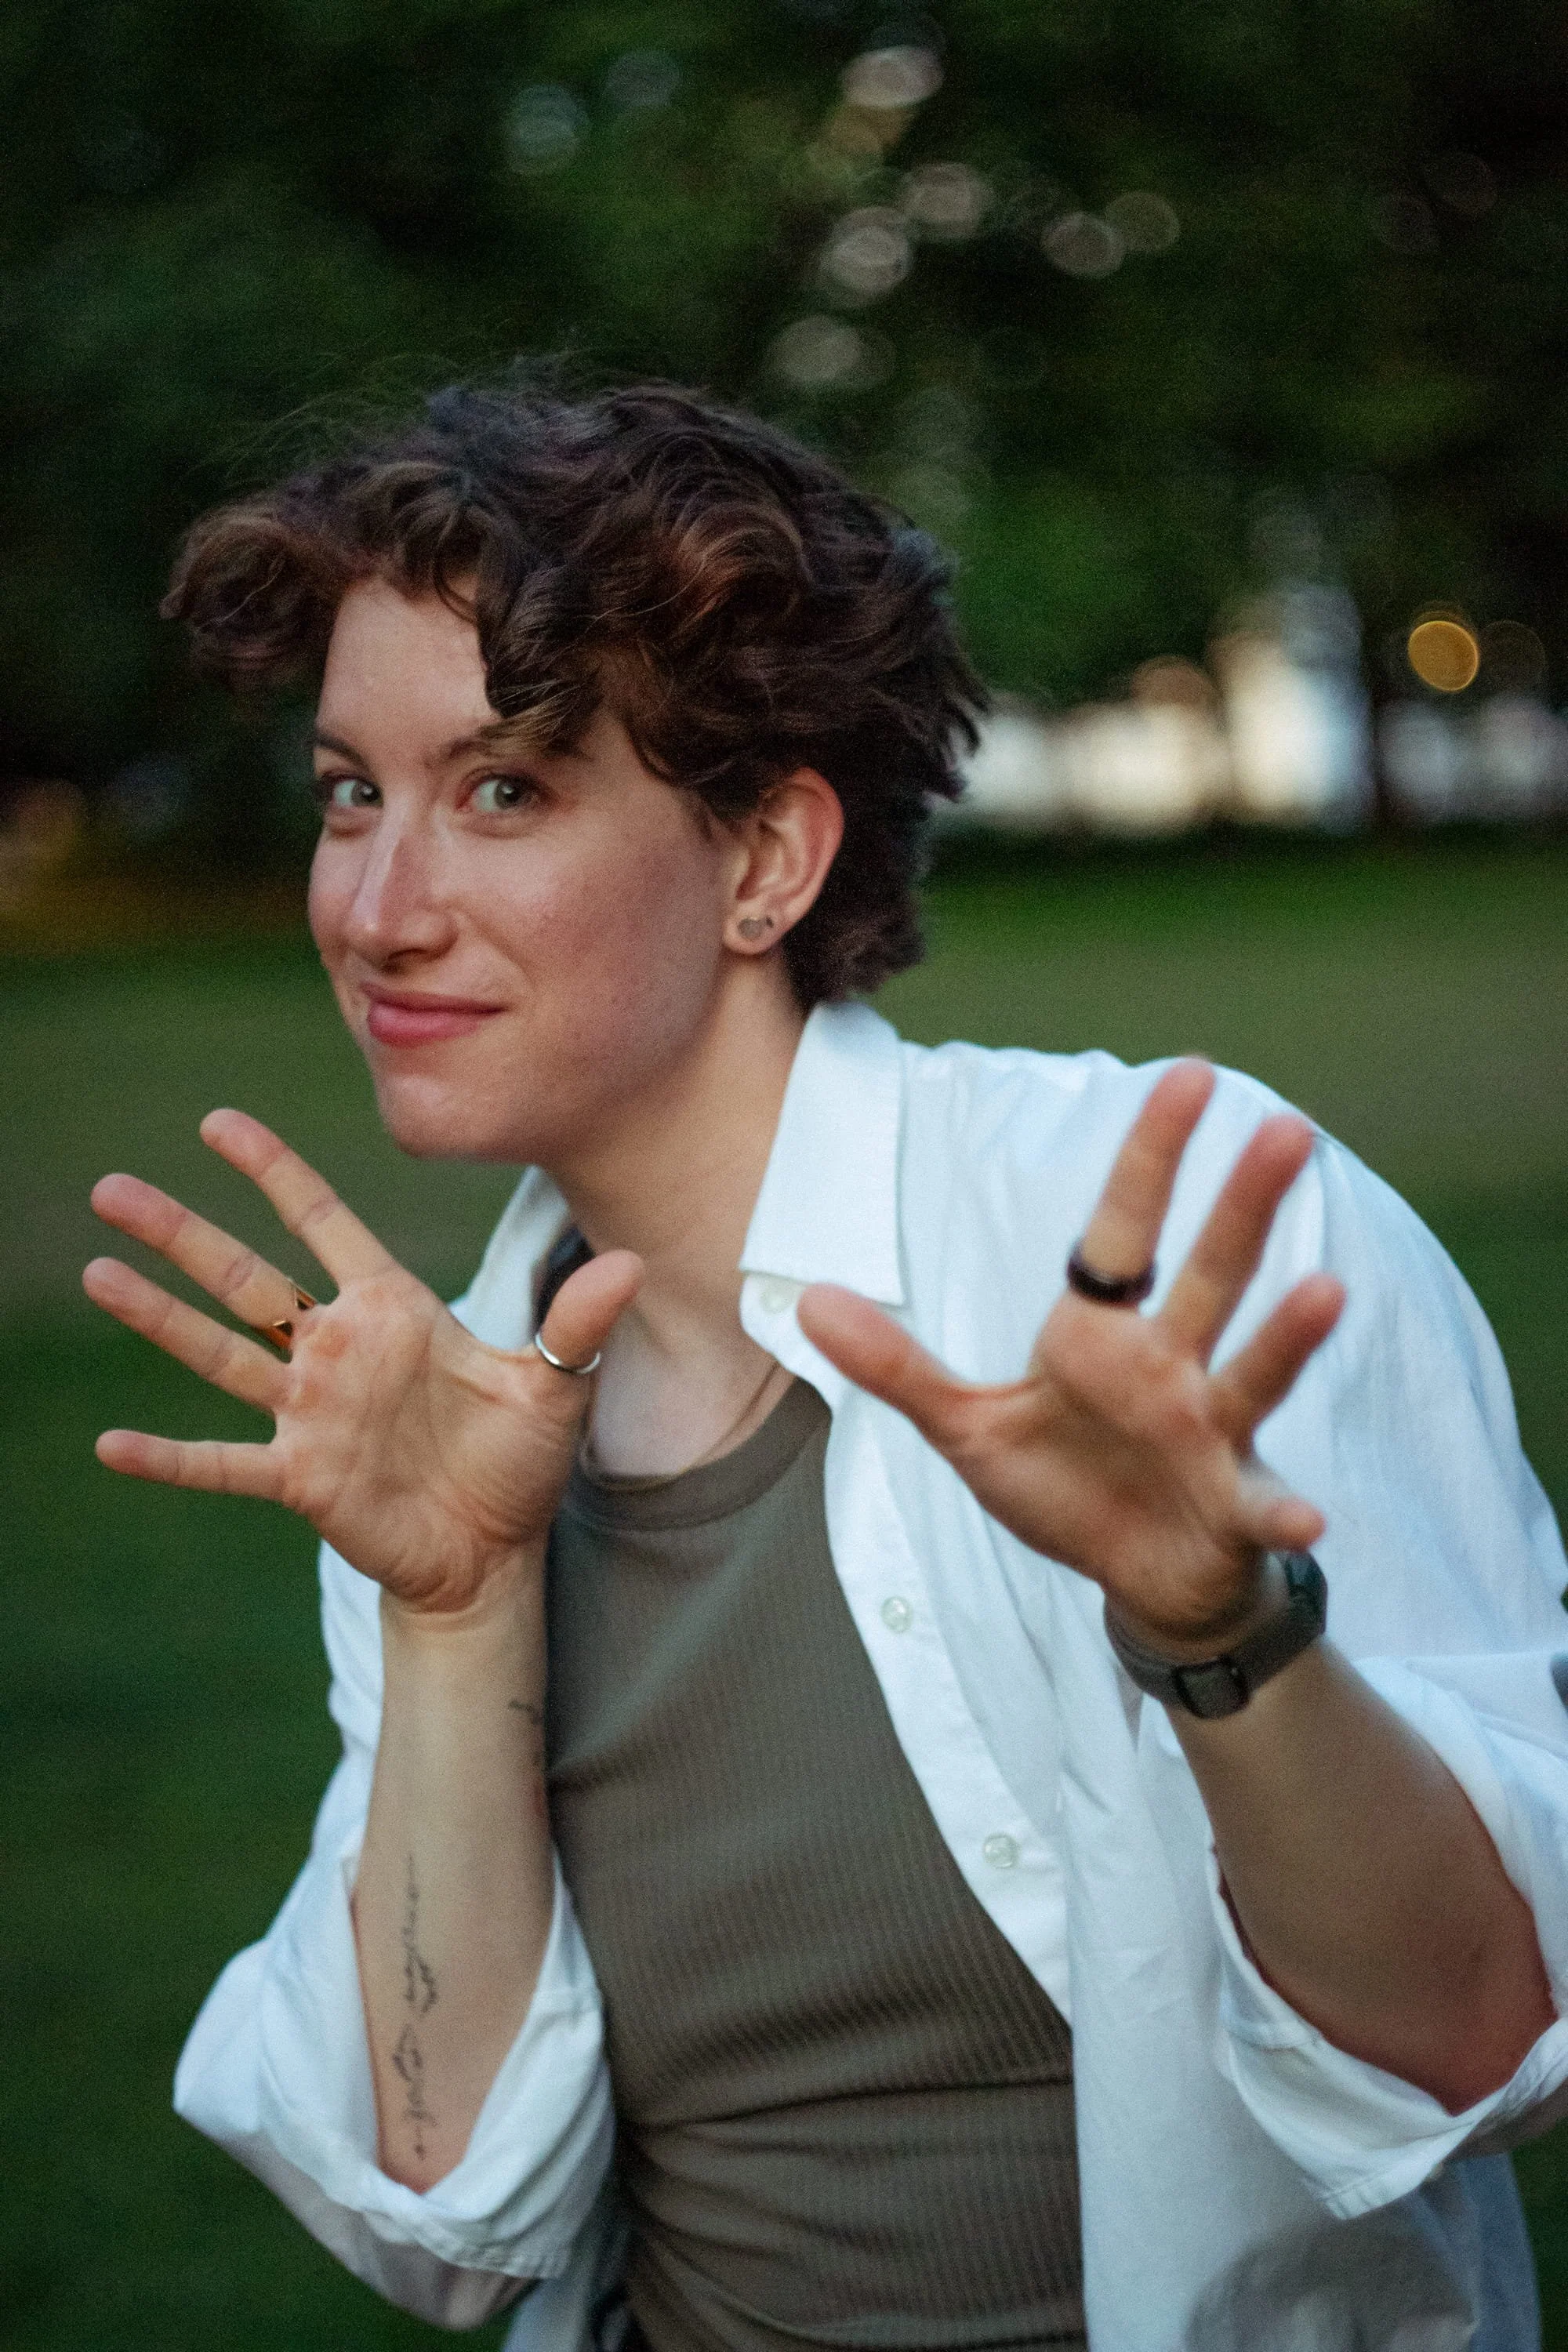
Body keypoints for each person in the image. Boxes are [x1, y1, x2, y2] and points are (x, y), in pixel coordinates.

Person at [85, 381, 1568, 2351]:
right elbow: (442, 2215)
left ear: (766, 857)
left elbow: (1481, 2040)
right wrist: (449, 1612)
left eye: (501, 788)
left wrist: (1221, 1634)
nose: (373, 908)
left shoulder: (1153, 1235)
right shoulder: (451, 1420)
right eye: (352, 788)